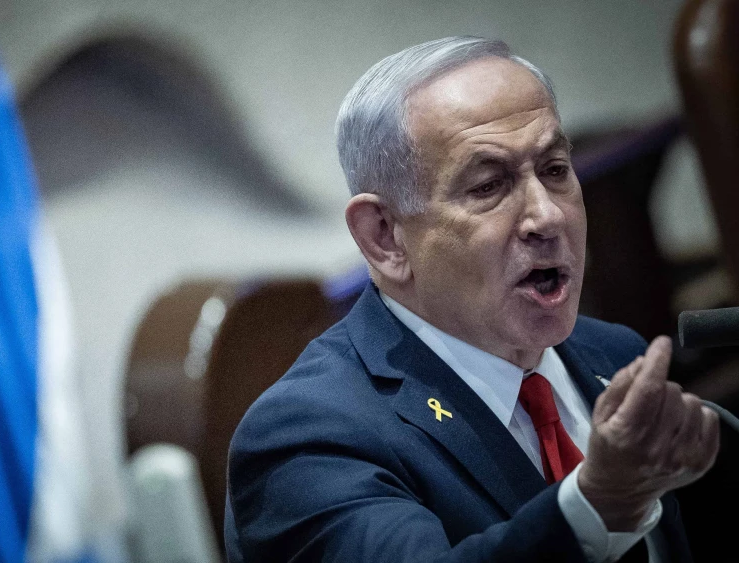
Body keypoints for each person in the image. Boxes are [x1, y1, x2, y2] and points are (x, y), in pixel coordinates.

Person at [224, 36, 720, 562]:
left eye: (555, 171)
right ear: (384, 237)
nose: (547, 216)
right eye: (489, 186)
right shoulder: (308, 434)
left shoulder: (616, 356)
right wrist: (598, 505)